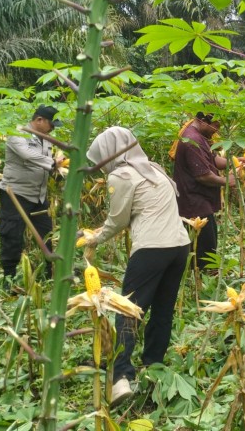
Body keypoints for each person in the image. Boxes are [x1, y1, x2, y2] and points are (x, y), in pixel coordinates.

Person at [85, 127, 191, 406]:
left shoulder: (120, 175)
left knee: (127, 310)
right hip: (180, 247)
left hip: (151, 250)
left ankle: (120, 377)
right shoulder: (154, 169)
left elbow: (118, 219)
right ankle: (153, 366)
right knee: (162, 311)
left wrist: (94, 237)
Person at [0, 105, 65, 287]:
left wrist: (57, 170)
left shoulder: (47, 139)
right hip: (16, 194)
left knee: (47, 235)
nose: (53, 128)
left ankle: (50, 274)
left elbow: (45, 166)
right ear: (39, 120)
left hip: (39, 196)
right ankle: (9, 280)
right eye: (51, 124)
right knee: (12, 236)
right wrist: (53, 162)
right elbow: (28, 156)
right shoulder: (18, 134)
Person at [172, 110, 235, 271]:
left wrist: (233, 163)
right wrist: (227, 181)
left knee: (207, 246)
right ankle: (202, 282)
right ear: (203, 120)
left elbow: (213, 159)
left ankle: (202, 279)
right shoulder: (192, 140)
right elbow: (203, 176)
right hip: (194, 204)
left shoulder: (200, 136)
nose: (217, 130)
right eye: (215, 126)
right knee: (204, 252)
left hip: (201, 202)